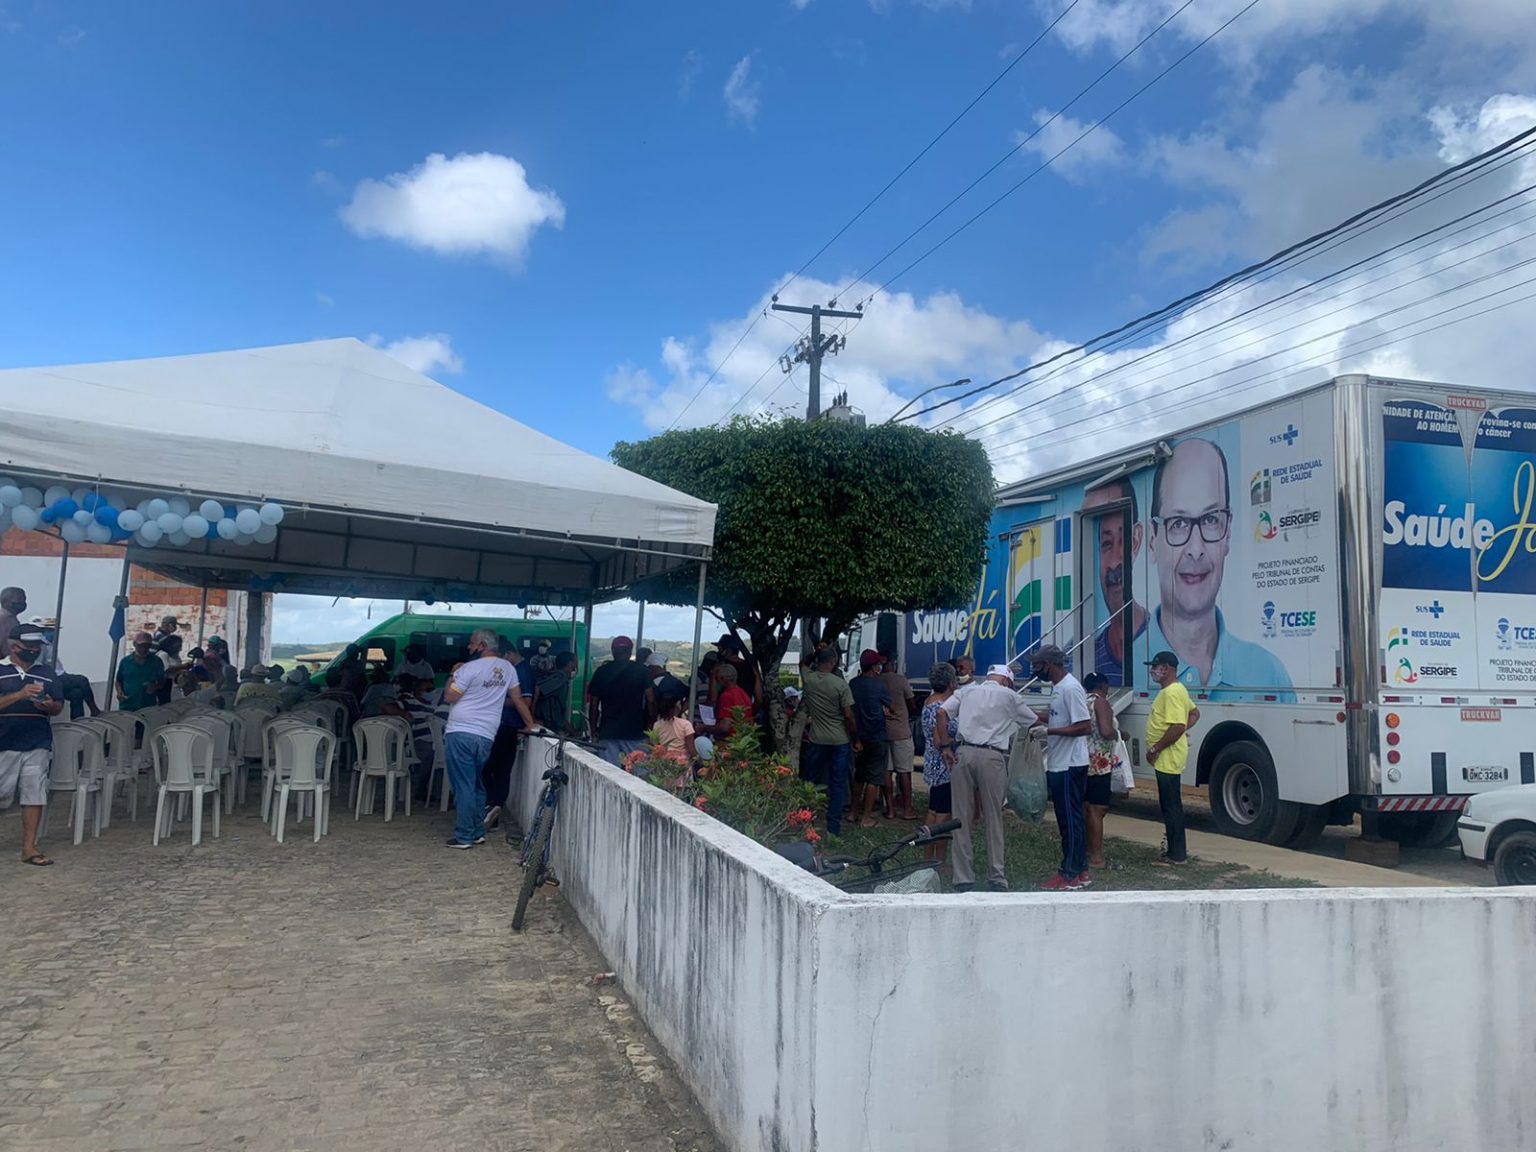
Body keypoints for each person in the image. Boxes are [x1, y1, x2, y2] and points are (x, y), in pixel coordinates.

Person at [1146, 438, 1293, 700]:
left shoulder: (1270, 675)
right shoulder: (1128, 668)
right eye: (1178, 523)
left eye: (1211, 520)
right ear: (1152, 540)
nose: (1195, 549)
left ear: (1228, 532)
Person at [941, 663, 1038, 892]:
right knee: (993, 816)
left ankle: (963, 877)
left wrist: (945, 745)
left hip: (964, 753)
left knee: (961, 816)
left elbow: (941, 712)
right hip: (992, 756)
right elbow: (1033, 721)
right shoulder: (1010, 696)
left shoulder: (967, 691)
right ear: (1007, 680)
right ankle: (997, 876)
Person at [442, 628, 534, 849]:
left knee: (463, 785)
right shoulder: (508, 668)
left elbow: (450, 696)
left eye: (472, 643)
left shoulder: (468, 668)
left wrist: (452, 675)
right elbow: (518, 699)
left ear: (482, 645)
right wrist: (531, 725)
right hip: (486, 735)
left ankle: (464, 836)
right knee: (477, 783)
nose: (469, 647)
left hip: (461, 732)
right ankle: (477, 831)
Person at [0, 623, 66, 865]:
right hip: (4, 742)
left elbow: (58, 707)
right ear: (15, 646)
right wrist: (19, 695)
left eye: (38, 645)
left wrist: (47, 704)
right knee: (2, 794)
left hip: (37, 741)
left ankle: (29, 847)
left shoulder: (47, 673)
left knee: (34, 794)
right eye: (30, 645)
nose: (35, 649)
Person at [1030, 644, 1093, 891]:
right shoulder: (1058, 688)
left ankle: (1070, 874)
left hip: (1069, 764)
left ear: (1049, 664)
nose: (1036, 671)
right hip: (1059, 763)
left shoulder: (1070, 688)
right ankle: (1082, 870)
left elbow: (1084, 726)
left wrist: (1049, 731)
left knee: (1070, 821)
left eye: (1038, 666)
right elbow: (1059, 716)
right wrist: (1034, 715)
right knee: (1069, 819)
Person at [1083, 479, 1149, 686]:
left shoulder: (1162, 638)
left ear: (1136, 540)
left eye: (1124, 540)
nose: (1114, 562)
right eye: (1107, 544)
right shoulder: (1081, 656)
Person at [1145, 650, 1198, 865]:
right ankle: (1175, 852)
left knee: (1171, 806)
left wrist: (1155, 748)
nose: (1152, 671)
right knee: (1171, 803)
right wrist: (1182, 730)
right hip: (1168, 755)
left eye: (1155, 667)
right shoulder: (1177, 690)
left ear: (1166, 669)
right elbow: (1194, 713)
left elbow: (1177, 726)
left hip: (1167, 757)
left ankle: (1176, 854)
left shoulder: (1172, 693)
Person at [799, 647, 859, 835]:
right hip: (839, 740)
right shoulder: (840, 684)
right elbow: (848, 716)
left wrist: (815, 652)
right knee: (837, 784)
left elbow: (803, 663)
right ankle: (833, 827)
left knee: (811, 781)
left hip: (816, 739)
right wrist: (855, 738)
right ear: (833, 661)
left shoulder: (809, 679)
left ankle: (806, 820)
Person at [481, 641, 535, 828]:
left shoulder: (521, 671)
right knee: (492, 769)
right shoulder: (515, 670)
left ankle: (494, 808)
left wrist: (493, 700)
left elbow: (524, 701)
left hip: (508, 725)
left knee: (497, 770)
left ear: (509, 654)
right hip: (500, 725)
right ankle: (492, 808)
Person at [586, 636, 654, 767]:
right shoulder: (642, 670)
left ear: (613, 651)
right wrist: (651, 724)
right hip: (635, 731)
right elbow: (650, 700)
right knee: (638, 773)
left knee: (608, 772)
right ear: (630, 651)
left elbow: (594, 705)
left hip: (608, 731)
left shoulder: (601, 672)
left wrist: (593, 731)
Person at [920, 663, 959, 866]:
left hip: (932, 763)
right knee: (943, 817)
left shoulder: (929, 701)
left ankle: (928, 859)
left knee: (933, 811)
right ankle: (939, 862)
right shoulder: (941, 708)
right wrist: (956, 741)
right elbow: (938, 740)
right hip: (944, 766)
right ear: (951, 682)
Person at [850, 650, 893, 829]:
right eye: (878, 664)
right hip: (877, 736)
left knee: (859, 776)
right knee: (874, 778)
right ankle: (866, 818)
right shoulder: (879, 685)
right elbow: (891, 706)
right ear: (874, 666)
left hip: (859, 737)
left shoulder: (853, 684)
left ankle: (853, 812)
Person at [1082, 672, 1118, 870]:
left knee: (1086, 808)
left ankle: (1086, 850)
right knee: (1098, 810)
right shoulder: (1100, 702)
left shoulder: (1082, 701)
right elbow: (1105, 730)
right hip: (1099, 763)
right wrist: (1119, 734)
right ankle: (1096, 857)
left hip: (1082, 760)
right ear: (1103, 686)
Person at [878, 652, 919, 820]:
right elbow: (912, 703)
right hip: (901, 732)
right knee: (904, 772)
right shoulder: (901, 680)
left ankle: (890, 809)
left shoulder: (877, 680)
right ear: (893, 663)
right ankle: (907, 810)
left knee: (886, 772)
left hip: (883, 732)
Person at [116, 632, 167, 712]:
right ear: (134, 644)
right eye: (140, 646)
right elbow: (118, 681)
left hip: (148, 705)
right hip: (127, 704)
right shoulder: (125, 661)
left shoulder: (156, 661)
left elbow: (162, 681)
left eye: (147, 646)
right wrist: (119, 692)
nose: (143, 649)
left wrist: (155, 686)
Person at [702, 664, 753, 739]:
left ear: (722, 679)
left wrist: (705, 728)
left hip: (730, 740)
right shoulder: (744, 694)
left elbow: (724, 727)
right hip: (743, 738)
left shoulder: (726, 696)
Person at [532, 651, 577, 733]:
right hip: (546, 724)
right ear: (570, 664)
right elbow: (538, 688)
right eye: (575, 663)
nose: (575, 668)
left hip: (552, 724)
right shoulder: (560, 678)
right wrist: (531, 716)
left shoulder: (560, 678)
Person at [650, 695, 698, 762]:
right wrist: (700, 760)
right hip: (682, 762)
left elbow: (655, 746)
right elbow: (691, 749)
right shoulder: (686, 724)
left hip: (664, 762)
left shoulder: (657, 725)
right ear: (676, 707)